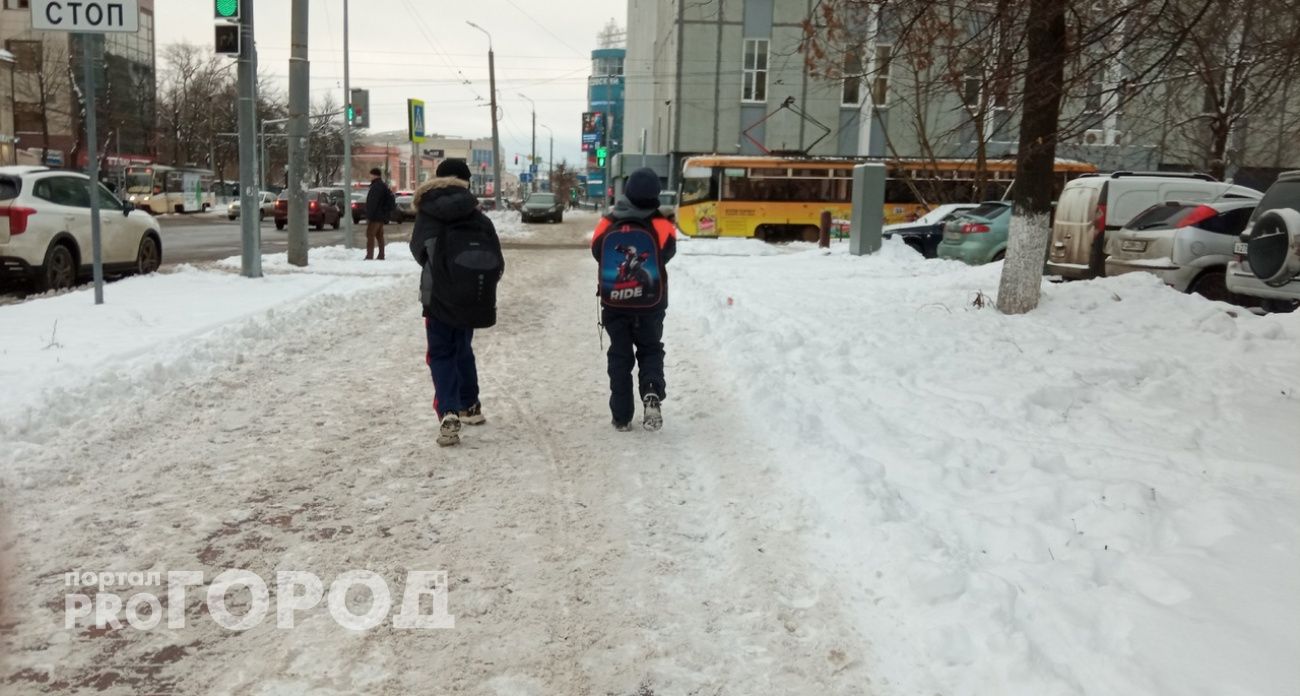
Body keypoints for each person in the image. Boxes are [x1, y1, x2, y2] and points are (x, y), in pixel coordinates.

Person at [410, 159, 505, 447]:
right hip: (472, 295)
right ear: (466, 180)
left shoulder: (428, 213)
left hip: (438, 296)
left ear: (438, 179)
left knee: (440, 353)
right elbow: (496, 256)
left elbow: (419, 250)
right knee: (462, 347)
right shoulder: (475, 213)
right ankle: (470, 406)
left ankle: (449, 410)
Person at [591, 167, 677, 431]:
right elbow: (668, 253)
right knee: (650, 348)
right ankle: (651, 391)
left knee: (619, 355)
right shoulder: (661, 222)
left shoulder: (609, 219)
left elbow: (597, 250)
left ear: (626, 191)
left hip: (615, 302)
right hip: (651, 302)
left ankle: (621, 416)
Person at [364, 168, 395, 260]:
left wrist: (370, 215)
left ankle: (370, 256)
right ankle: (381, 255)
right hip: (381, 215)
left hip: (375, 216)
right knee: (379, 236)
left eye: (371, 174)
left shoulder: (376, 187)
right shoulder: (382, 185)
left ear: (374, 175)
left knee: (370, 235)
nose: (369, 176)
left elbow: (373, 202)